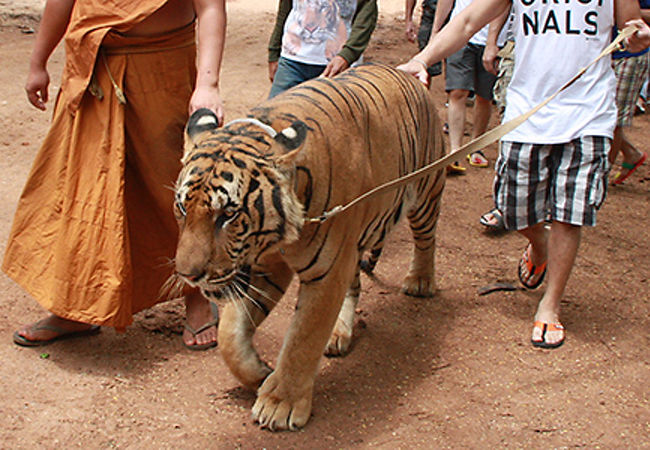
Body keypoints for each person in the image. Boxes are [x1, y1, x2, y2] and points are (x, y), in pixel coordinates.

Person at [399, 0, 650, 348]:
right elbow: (469, 19)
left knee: (569, 214)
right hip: (528, 112)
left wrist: (636, 34)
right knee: (514, 212)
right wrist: (422, 59)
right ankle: (539, 246)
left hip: (588, 113)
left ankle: (550, 304)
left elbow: (631, 23)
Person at [6, 0, 227, 350]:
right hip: (93, 66)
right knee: (83, 188)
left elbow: (211, 7)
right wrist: (38, 62)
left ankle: (197, 297)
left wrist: (208, 84)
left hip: (163, 69)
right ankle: (75, 308)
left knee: (171, 189)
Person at [428, 0, 499, 173]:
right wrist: (436, 31)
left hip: (491, 41)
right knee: (457, 92)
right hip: (459, 36)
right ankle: (455, 151)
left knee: (485, 97)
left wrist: (492, 41)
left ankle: (476, 145)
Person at [267, 0, 378, 99]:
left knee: (339, 119)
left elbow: (366, 15)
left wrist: (348, 55)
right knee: (272, 117)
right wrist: (274, 50)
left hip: (338, 67)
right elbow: (285, 8)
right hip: (292, 60)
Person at [609, 0, 650, 185]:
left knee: (613, 120)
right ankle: (631, 152)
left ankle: (601, 175)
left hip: (629, 54)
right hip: (602, 51)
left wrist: (627, 12)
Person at [405, 0, 443, 78]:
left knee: (458, 66)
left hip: (458, 15)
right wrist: (408, 20)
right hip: (431, 14)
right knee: (424, 64)